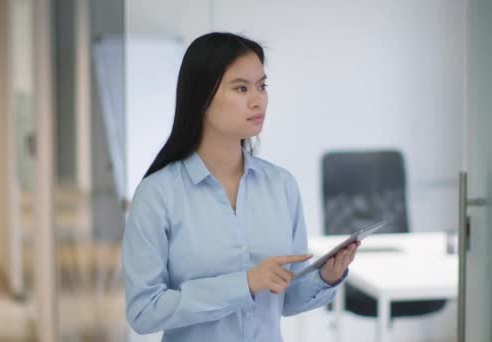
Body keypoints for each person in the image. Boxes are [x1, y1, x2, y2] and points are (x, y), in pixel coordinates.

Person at [122, 32, 360, 341]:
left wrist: (328, 276)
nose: (257, 99)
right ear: (202, 97)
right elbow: (144, 311)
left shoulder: (281, 185)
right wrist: (243, 284)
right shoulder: (157, 195)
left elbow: (287, 298)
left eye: (262, 86)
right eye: (241, 88)